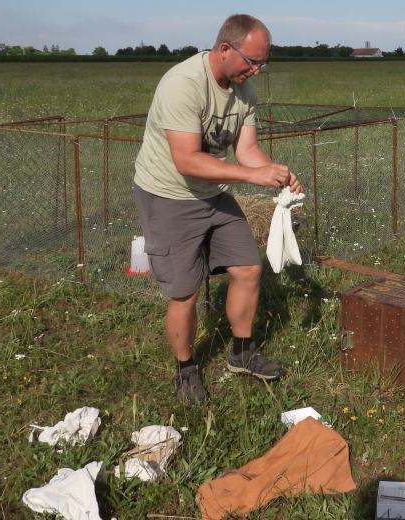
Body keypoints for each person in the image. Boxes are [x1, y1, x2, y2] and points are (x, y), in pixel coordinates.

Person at [132, 14, 301, 406]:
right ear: (224, 49)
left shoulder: (244, 90)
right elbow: (187, 161)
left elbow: (246, 149)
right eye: (251, 61)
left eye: (263, 63)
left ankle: (242, 352)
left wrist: (274, 173)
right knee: (185, 293)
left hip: (213, 192)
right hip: (169, 195)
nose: (256, 70)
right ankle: (186, 369)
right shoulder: (183, 85)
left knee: (248, 267)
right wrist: (250, 177)